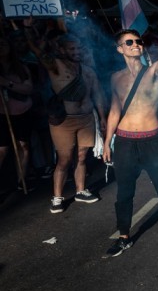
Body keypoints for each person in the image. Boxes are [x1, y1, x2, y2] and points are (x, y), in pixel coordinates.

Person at [102, 7, 158, 257]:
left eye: (138, 41)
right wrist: (107, 141)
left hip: (152, 140)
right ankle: (124, 237)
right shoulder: (116, 78)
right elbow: (115, 111)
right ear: (120, 49)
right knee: (124, 193)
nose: (136, 45)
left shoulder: (153, 71)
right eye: (129, 42)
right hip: (125, 142)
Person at [27, 29, 106, 213]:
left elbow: (98, 94)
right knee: (64, 159)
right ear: (62, 49)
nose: (76, 52)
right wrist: (29, 30)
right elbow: (38, 52)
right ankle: (57, 198)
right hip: (64, 121)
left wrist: (102, 118)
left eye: (78, 48)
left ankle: (80, 191)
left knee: (82, 157)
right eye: (72, 49)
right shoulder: (55, 65)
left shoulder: (88, 71)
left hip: (86, 119)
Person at [0, 35, 34, 189]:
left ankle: (22, 181)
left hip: (22, 112)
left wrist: (7, 83)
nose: (2, 47)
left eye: (4, 44)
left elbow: (28, 88)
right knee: (2, 149)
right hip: (2, 114)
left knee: (23, 145)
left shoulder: (21, 67)